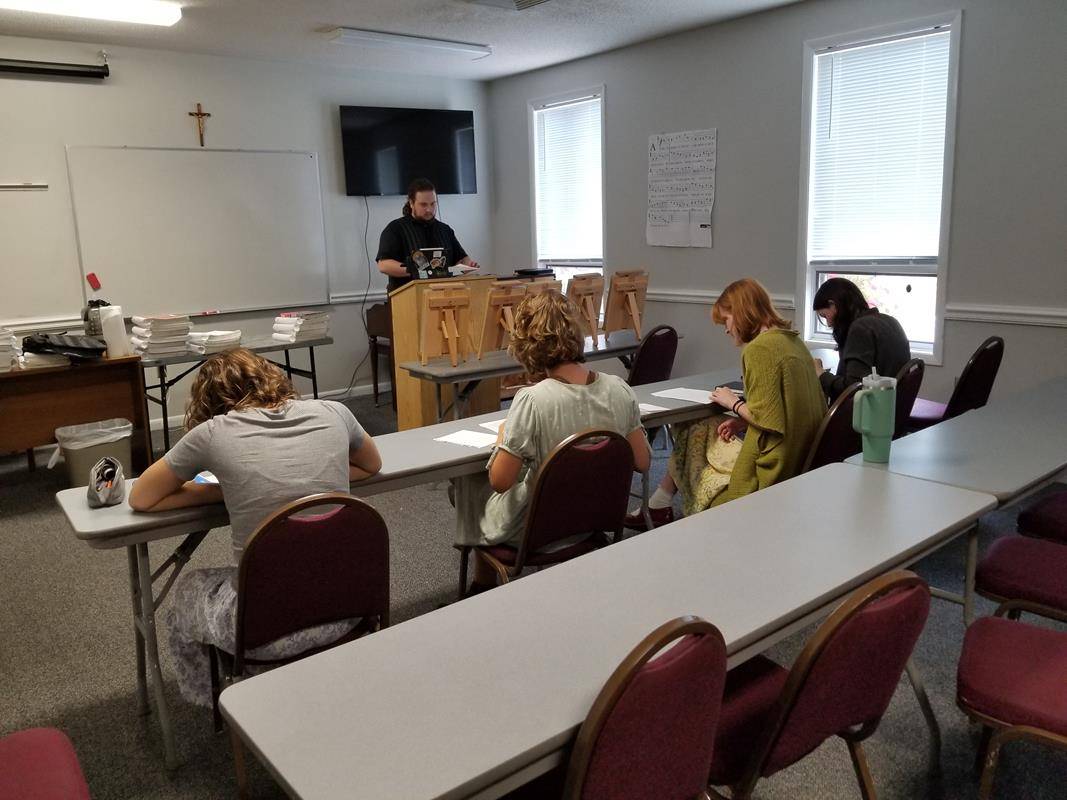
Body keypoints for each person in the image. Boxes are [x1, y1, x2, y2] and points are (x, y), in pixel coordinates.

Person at [128, 348, 381, 707]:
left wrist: (223, 491)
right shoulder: (334, 412)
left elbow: (141, 497)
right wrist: (316, 481)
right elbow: (372, 464)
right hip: (348, 609)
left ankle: (216, 703)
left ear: (209, 400)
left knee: (187, 591)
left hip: (264, 628)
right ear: (271, 376)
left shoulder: (213, 433)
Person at [456, 291, 651, 593]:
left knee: (470, 483)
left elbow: (500, 481)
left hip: (536, 529)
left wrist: (503, 437)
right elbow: (643, 461)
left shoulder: (533, 400)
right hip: (595, 518)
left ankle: (482, 586)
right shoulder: (619, 389)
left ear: (526, 344)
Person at [626, 278, 826, 529]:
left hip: (771, 472)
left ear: (743, 314)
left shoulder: (759, 349)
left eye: (727, 320)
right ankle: (659, 503)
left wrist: (733, 403)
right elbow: (786, 410)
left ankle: (659, 505)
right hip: (802, 460)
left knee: (691, 431)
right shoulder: (792, 341)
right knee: (702, 426)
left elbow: (769, 421)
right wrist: (742, 421)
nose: (726, 329)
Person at [812, 277, 911, 401]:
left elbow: (853, 389)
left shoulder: (860, 329)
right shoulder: (890, 321)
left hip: (872, 412)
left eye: (825, 316)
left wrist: (821, 374)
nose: (829, 324)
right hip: (894, 406)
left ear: (834, 305)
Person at [376, 177, 480, 292]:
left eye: (432, 204)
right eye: (423, 205)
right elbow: (383, 265)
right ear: (411, 203)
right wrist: (414, 270)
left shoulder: (445, 230)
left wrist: (469, 265)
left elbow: (463, 259)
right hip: (407, 297)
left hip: (444, 295)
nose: (429, 209)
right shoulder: (395, 228)